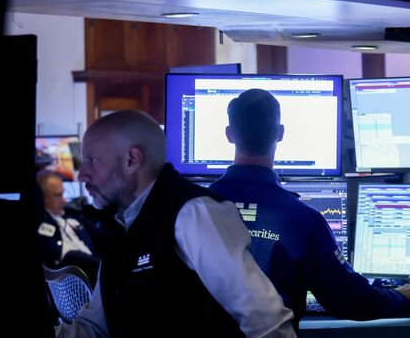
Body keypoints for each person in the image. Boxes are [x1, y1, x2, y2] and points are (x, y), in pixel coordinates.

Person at [58, 109, 294, 338]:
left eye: (92, 161)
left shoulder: (192, 212)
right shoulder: (122, 225)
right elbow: (96, 326)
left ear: (132, 160)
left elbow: (265, 320)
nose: (82, 175)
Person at [209, 89, 410, 327]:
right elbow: (349, 299)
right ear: (280, 133)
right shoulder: (302, 220)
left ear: (229, 135)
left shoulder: (193, 208)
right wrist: (401, 298)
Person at [36, 170, 100, 282]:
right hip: (64, 278)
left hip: (91, 269)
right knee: (73, 255)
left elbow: (101, 237)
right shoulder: (40, 222)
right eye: (57, 195)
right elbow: (50, 252)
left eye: (63, 194)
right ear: (41, 197)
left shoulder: (74, 217)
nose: (63, 200)